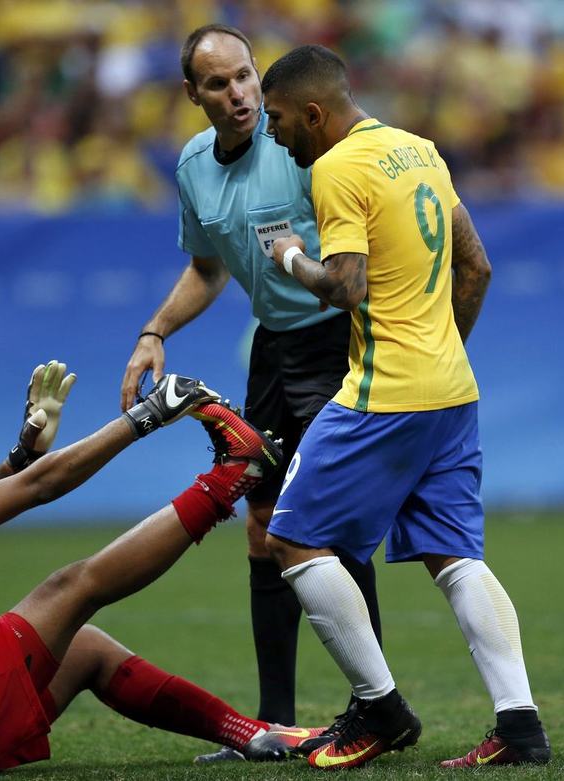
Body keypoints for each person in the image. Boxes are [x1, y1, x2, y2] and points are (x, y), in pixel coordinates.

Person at [0, 360, 321, 774]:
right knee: (72, 586)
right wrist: (149, 415)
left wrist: (22, 455)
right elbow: (42, 489)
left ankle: (250, 734)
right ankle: (234, 474)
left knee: (84, 647)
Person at [258, 46, 552, 770]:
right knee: (455, 555)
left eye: (279, 119)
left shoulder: (337, 168)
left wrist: (290, 257)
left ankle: (381, 709)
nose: (274, 134)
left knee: (290, 539)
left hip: (381, 391)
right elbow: (476, 263)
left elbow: (345, 286)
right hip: (452, 389)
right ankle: (520, 727)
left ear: (314, 113)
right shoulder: (419, 150)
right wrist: (443, 351)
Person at [119, 25, 382, 760]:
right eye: (218, 84)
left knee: (336, 528)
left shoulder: (300, 146)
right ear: (192, 94)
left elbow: (357, 249)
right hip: (273, 350)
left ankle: (374, 710)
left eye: (243, 77)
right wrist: (154, 330)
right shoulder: (194, 165)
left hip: (339, 343)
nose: (238, 95)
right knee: (262, 530)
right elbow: (208, 268)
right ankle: (269, 724)